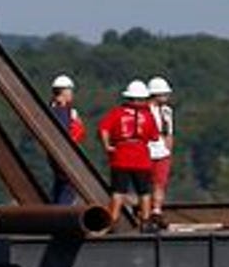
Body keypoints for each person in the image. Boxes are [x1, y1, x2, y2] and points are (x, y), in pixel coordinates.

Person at [98, 79, 159, 229]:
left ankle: (112, 220)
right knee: (144, 192)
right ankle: (145, 221)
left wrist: (107, 146)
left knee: (118, 191)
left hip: (121, 155)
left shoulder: (116, 113)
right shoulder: (148, 115)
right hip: (141, 156)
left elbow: (103, 129)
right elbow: (154, 136)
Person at [46, 74, 88, 204]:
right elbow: (70, 133)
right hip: (65, 153)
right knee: (69, 183)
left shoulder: (49, 109)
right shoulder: (65, 112)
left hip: (54, 153)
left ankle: (54, 209)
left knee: (60, 183)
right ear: (64, 91)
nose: (72, 94)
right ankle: (61, 212)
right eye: (70, 91)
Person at [144, 75, 176, 225]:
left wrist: (168, 150)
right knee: (146, 183)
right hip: (146, 151)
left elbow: (169, 133)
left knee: (160, 183)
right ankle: (145, 212)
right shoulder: (143, 110)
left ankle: (157, 211)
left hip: (162, 152)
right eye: (164, 94)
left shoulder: (167, 111)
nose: (167, 96)